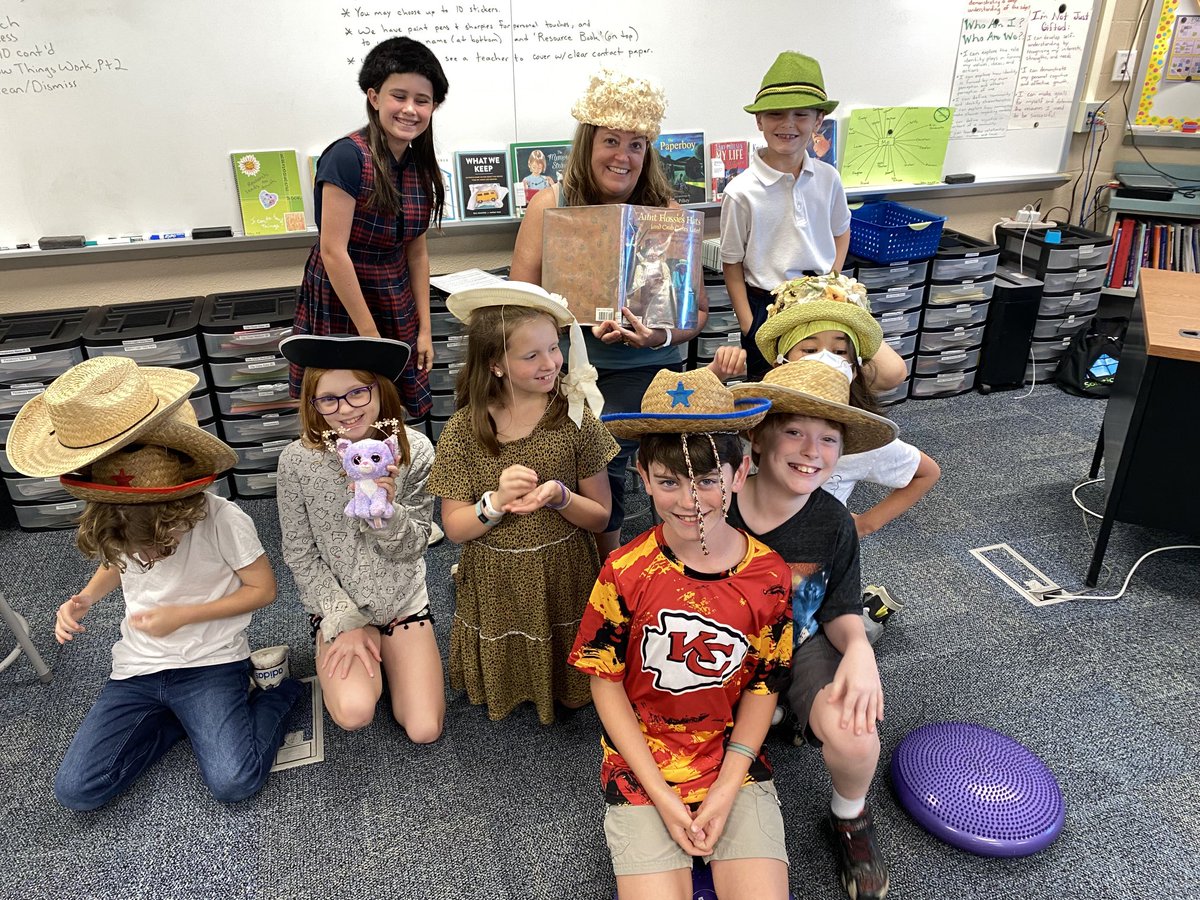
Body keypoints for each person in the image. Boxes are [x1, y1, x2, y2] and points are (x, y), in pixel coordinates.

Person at [6, 356, 302, 810]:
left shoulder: (223, 519)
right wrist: (83, 598)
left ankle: (279, 693)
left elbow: (263, 590)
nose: (144, 558)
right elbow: (118, 562)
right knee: (77, 792)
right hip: (137, 669)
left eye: (156, 547)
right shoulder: (114, 511)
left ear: (175, 510)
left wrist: (184, 615)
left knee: (233, 782)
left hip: (211, 663)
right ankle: (177, 722)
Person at [570, 368, 792, 900]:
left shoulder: (771, 575)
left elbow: (765, 684)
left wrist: (722, 793)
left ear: (740, 476)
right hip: (640, 766)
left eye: (709, 479)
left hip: (731, 761)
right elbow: (605, 682)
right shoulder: (623, 572)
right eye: (669, 481)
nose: (691, 500)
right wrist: (667, 802)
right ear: (643, 476)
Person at [510, 68, 710, 560]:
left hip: (647, 369)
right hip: (570, 370)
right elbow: (515, 307)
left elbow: (697, 312)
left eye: (637, 145)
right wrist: (567, 324)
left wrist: (656, 338)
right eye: (611, 141)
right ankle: (607, 567)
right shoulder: (551, 203)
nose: (623, 156)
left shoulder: (664, 211)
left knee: (675, 456)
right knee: (593, 458)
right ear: (587, 143)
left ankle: (658, 562)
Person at [727, 357, 899, 900]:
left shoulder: (831, 523)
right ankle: (769, 718)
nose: (811, 451)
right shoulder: (716, 504)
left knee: (856, 732)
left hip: (799, 647)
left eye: (828, 439)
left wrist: (859, 653)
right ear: (758, 440)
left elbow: (841, 605)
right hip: (720, 648)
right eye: (795, 432)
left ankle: (848, 817)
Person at [427, 282, 616, 724]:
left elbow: (601, 515)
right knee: (512, 685)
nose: (551, 363)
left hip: (564, 571)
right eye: (531, 356)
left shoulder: (574, 417)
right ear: (495, 364)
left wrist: (561, 497)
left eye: (554, 348)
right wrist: (493, 503)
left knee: (574, 695)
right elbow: (454, 528)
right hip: (499, 579)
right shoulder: (463, 430)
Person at [277, 335, 444, 741]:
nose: (345, 409)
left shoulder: (415, 450)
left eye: (357, 392)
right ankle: (337, 636)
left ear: (378, 389)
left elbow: (417, 543)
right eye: (328, 399)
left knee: (424, 728)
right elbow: (300, 555)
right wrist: (345, 620)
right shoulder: (296, 461)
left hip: (400, 599)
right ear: (312, 403)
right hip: (341, 602)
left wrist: (388, 516)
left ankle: (394, 648)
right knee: (354, 711)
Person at [719, 51, 906, 389]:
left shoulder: (828, 177)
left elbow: (841, 232)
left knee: (890, 371)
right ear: (759, 120)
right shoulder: (741, 192)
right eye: (775, 114)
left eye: (801, 115)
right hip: (770, 305)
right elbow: (732, 264)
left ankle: (833, 428)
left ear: (818, 121)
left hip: (825, 298)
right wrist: (749, 325)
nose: (787, 124)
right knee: (777, 396)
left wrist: (831, 280)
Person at [290, 37, 448, 423]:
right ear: (374, 97)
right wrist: (370, 339)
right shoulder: (347, 156)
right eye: (399, 96)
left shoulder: (418, 164)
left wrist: (424, 329)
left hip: (393, 295)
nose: (410, 109)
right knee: (344, 407)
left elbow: (417, 252)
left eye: (422, 100)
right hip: (343, 297)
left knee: (389, 410)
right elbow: (333, 251)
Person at [754, 273, 941, 541]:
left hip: (819, 554)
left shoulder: (859, 437)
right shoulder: (757, 419)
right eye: (809, 349)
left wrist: (865, 524)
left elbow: (926, 472)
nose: (825, 358)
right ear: (781, 362)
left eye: (840, 352)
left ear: (854, 369)